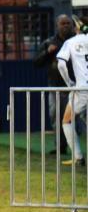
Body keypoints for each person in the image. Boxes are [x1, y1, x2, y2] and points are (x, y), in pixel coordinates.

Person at [33, 15, 75, 155]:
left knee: (80, 118)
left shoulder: (78, 41)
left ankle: (77, 150)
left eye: (68, 23)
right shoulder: (49, 42)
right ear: (57, 25)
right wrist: (47, 52)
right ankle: (61, 147)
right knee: (56, 117)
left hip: (77, 86)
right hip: (56, 86)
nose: (65, 26)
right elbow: (36, 62)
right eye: (62, 23)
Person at [56, 21, 88, 167]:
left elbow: (61, 63)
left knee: (67, 120)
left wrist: (69, 82)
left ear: (78, 27)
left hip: (82, 88)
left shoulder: (71, 42)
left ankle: (78, 157)